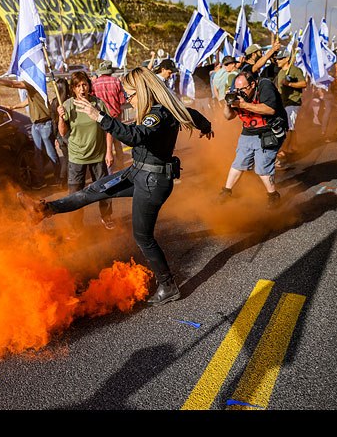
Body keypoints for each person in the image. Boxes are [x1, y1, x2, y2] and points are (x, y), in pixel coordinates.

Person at [17, 67, 213, 305]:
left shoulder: (158, 115)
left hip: (152, 182)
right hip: (139, 172)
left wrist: (100, 117)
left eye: (130, 95)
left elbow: (135, 136)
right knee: (93, 191)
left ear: (142, 90)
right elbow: (192, 114)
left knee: (143, 236)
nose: (128, 100)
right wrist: (206, 127)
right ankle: (44, 210)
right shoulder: (162, 110)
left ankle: (168, 286)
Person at [217, 70, 287, 209]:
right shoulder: (237, 92)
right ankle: (226, 191)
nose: (239, 92)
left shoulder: (265, 87)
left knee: (262, 166)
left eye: (242, 89)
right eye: (237, 89)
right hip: (248, 131)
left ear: (253, 85)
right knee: (239, 162)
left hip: (268, 131)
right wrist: (228, 103)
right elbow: (228, 116)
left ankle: (273, 195)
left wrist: (243, 105)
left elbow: (270, 110)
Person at [57, 71, 115, 230]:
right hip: (77, 157)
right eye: (78, 86)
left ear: (89, 86)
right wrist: (61, 117)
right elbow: (62, 133)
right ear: (73, 89)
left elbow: (108, 129)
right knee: (75, 193)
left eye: (84, 84)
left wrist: (109, 152)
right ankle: (75, 225)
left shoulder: (98, 104)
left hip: (98, 155)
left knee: (105, 189)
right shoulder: (68, 105)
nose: (82, 88)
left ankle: (107, 216)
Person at [0, 70, 60, 189]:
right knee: (37, 155)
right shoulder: (34, 89)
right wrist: (13, 107)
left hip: (44, 124)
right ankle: (41, 181)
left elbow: (13, 84)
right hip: (35, 125)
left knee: (50, 153)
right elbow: (27, 102)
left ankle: (58, 179)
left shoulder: (33, 84)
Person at [92, 60, 127, 171]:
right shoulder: (116, 81)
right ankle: (121, 167)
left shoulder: (95, 83)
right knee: (117, 143)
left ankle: (107, 169)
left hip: (100, 117)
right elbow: (122, 100)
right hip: (115, 116)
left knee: (104, 144)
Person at [275, 49, 306, 159]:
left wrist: (290, 84)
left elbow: (303, 83)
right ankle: (293, 147)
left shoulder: (295, 70)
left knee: (288, 128)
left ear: (287, 58)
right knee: (290, 127)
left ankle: (284, 150)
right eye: (277, 59)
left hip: (293, 103)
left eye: (280, 59)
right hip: (283, 104)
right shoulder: (280, 73)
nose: (277, 61)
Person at [49, 78, 71, 188]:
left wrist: (56, 137)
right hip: (69, 134)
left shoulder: (54, 102)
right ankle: (66, 179)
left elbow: (53, 122)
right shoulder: (69, 101)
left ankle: (63, 180)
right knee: (69, 158)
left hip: (59, 134)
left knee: (66, 158)